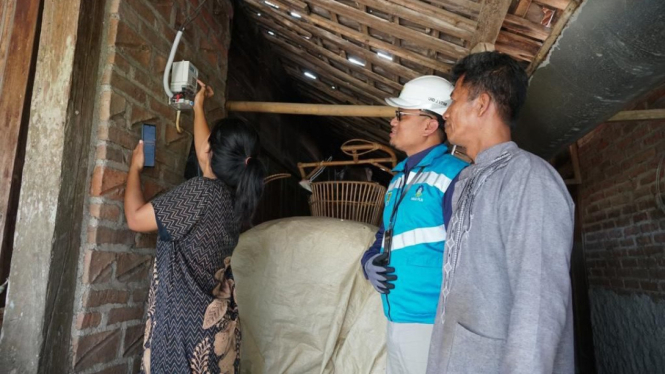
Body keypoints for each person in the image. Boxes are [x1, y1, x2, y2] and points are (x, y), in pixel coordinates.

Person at [426, 51, 575, 373]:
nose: (446, 113)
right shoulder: (466, 180)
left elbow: (538, 302)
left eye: (453, 101)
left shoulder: (529, 178)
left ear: (480, 104)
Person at [124, 80, 266, 374]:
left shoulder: (200, 193)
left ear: (209, 149)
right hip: (213, 339)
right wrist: (198, 106)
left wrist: (134, 169)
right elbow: (207, 161)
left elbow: (136, 219)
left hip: (181, 342)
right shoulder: (231, 199)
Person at [360, 76, 468, 374]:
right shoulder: (398, 180)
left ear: (429, 125)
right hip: (397, 315)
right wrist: (368, 260)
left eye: (401, 115)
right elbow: (385, 234)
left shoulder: (455, 176)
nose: (393, 122)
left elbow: (469, 254)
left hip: (432, 321)